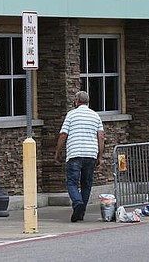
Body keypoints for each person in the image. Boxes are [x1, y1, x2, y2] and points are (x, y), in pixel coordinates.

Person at [54, 91, 105, 222]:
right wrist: (100, 156)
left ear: (76, 101)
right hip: (90, 154)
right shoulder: (95, 116)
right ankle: (81, 213)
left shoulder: (71, 115)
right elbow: (101, 136)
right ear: (87, 101)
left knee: (72, 182)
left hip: (75, 153)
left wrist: (58, 151)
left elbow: (63, 134)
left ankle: (77, 203)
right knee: (86, 184)